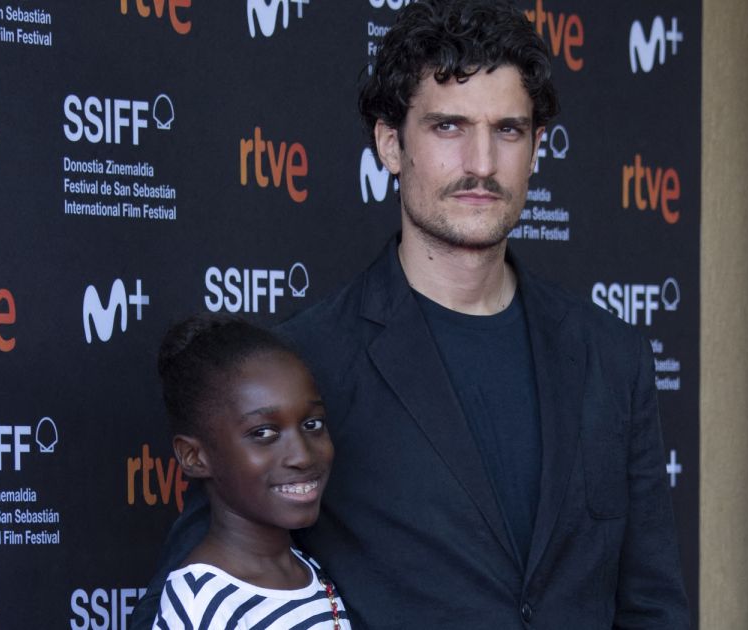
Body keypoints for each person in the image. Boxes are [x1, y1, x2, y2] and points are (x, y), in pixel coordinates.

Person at [133, 0, 689, 627]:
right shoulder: (306, 366)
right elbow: (192, 589)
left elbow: (652, 605)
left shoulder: (610, 356)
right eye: (449, 127)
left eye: (508, 129)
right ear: (390, 144)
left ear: (535, 149)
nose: (481, 163)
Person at [150, 315, 350, 629]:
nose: (302, 455)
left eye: (313, 425)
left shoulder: (311, 572)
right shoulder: (204, 603)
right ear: (194, 456)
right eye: (263, 433)